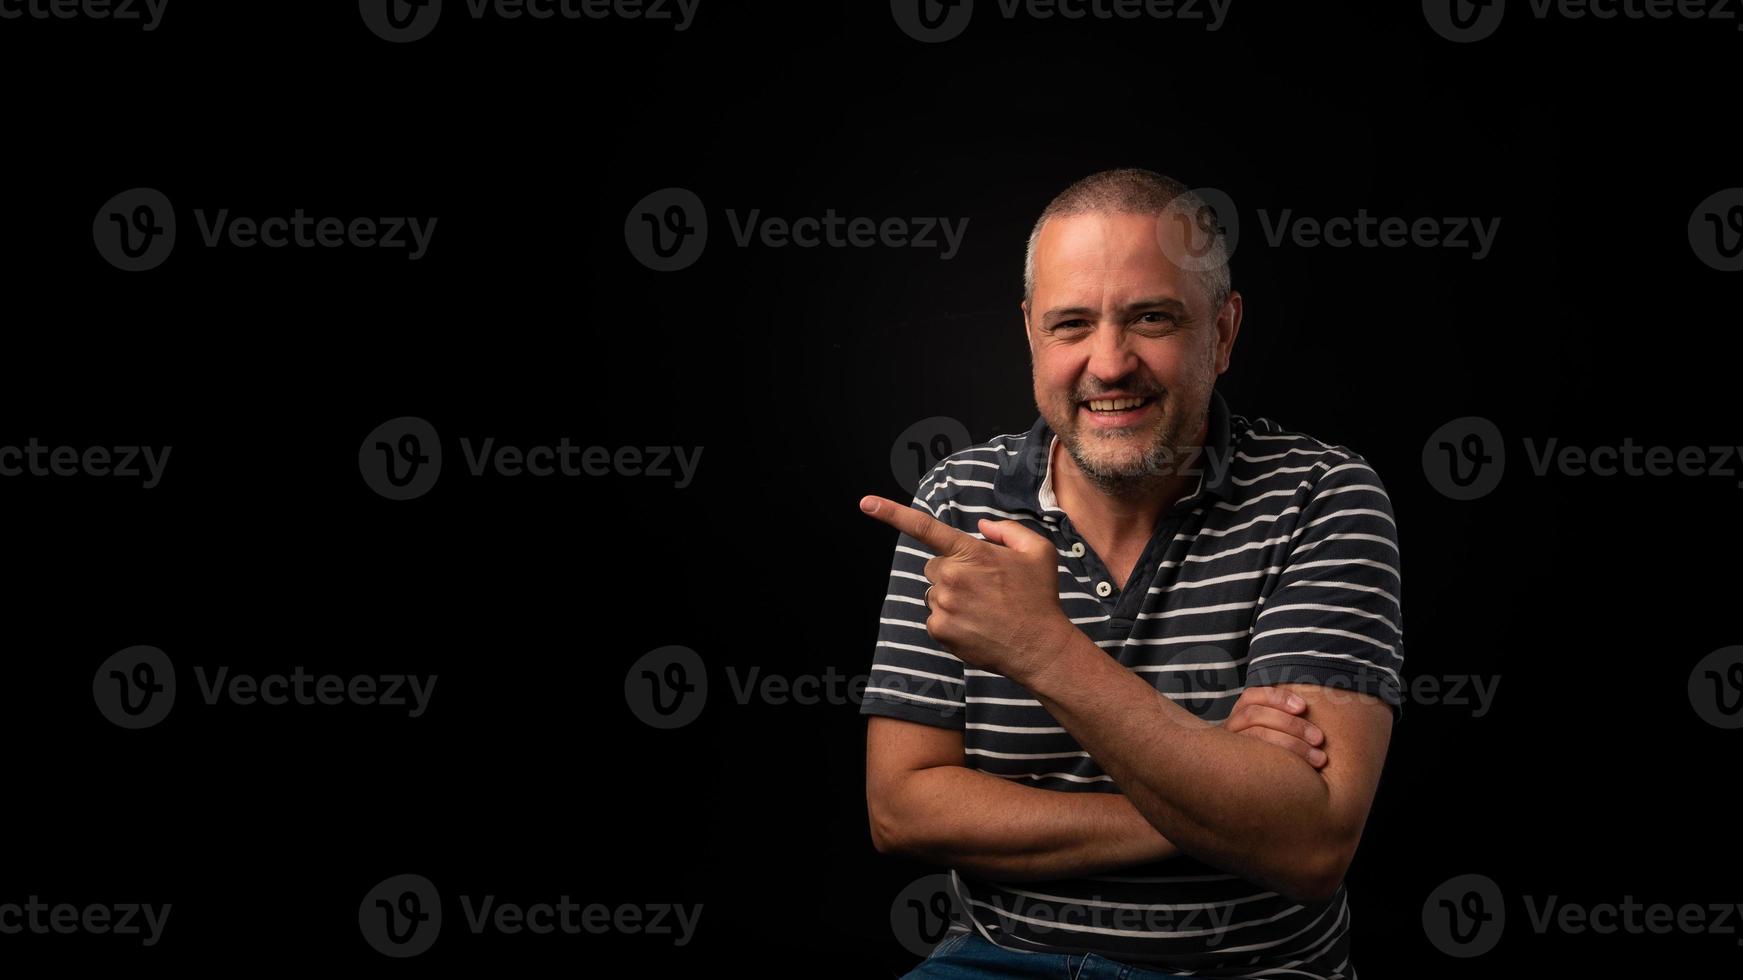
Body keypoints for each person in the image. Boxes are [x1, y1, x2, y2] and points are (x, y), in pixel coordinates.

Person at [859, 168, 1401, 979]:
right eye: (1070, 324)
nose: (1108, 364)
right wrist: (1217, 800)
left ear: (1222, 333)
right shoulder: (956, 505)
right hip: (997, 962)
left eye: (1151, 318)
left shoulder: (1320, 498)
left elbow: (1308, 845)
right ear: (1031, 337)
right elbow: (902, 810)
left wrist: (1043, 649)